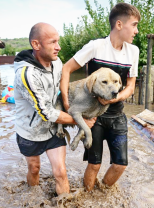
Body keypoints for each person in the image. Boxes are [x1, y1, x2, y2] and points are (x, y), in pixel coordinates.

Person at [61, 3, 140, 192]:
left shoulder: (133, 51)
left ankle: (102, 193)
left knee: (120, 165)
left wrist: (114, 98)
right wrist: (65, 103)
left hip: (117, 116)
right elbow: (66, 69)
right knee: (94, 165)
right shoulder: (96, 47)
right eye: (135, 25)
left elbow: (130, 87)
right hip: (93, 117)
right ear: (119, 24)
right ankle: (87, 197)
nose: (136, 31)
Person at [13, 22, 96, 195]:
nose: (58, 47)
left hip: (52, 130)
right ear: (36, 44)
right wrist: (82, 122)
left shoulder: (56, 62)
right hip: (30, 132)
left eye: (58, 41)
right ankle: (33, 199)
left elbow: (65, 84)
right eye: (53, 42)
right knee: (34, 168)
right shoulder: (27, 75)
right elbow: (46, 113)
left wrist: (87, 102)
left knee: (60, 172)